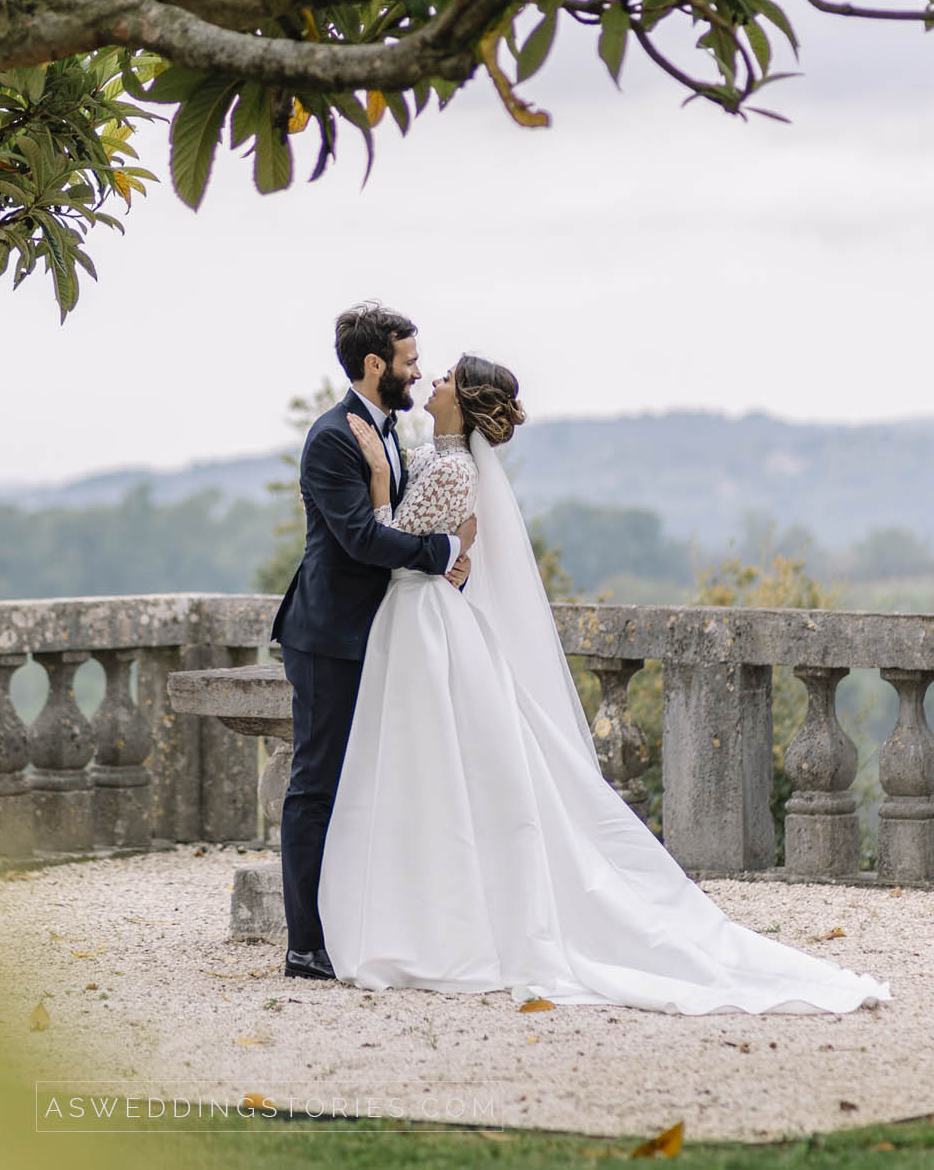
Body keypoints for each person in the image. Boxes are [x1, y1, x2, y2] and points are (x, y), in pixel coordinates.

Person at [312, 353, 893, 1014]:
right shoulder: (437, 459)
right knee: (439, 768)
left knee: (435, 766)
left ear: (463, 401)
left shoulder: (448, 468)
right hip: (426, 618)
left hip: (429, 624)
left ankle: (435, 923)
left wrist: (387, 492)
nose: (433, 380)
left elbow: (390, 541)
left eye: (443, 377)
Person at [270, 303, 476, 981]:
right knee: (317, 784)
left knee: (369, 784)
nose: (419, 371)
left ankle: (357, 922)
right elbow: (360, 538)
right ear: (374, 365)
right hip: (328, 635)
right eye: (410, 360)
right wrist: (444, 550)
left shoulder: (389, 431)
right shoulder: (332, 439)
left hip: (378, 636)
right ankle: (305, 944)